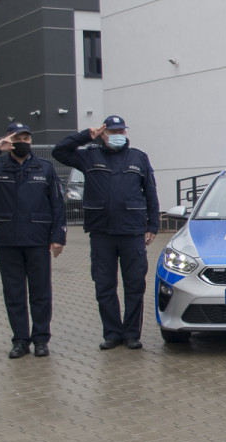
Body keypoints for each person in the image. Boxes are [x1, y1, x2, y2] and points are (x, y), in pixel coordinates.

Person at [53, 115, 159, 350]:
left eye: (121, 131)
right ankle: (112, 333)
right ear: (103, 134)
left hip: (132, 232)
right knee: (104, 285)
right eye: (112, 131)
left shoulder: (138, 157)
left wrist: (152, 226)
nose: (118, 135)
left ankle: (132, 334)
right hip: (101, 232)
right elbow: (59, 151)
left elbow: (150, 193)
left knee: (134, 286)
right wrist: (85, 135)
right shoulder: (89, 155)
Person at [0, 123, 67, 359]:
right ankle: (21, 340)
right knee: (14, 293)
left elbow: (57, 204)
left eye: (26, 138)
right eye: (17, 138)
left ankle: (41, 339)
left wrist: (58, 237)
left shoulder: (44, 168)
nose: (23, 142)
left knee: (41, 293)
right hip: (8, 239)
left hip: (37, 240)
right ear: (10, 140)